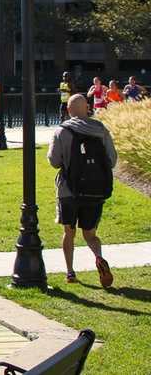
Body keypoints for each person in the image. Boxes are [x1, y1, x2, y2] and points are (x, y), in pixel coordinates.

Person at [47, 94, 117, 288]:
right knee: (90, 234)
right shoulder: (101, 130)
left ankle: (70, 272)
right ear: (88, 108)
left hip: (69, 190)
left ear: (69, 111)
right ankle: (99, 258)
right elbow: (112, 160)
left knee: (69, 232)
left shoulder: (62, 131)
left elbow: (54, 161)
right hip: (95, 190)